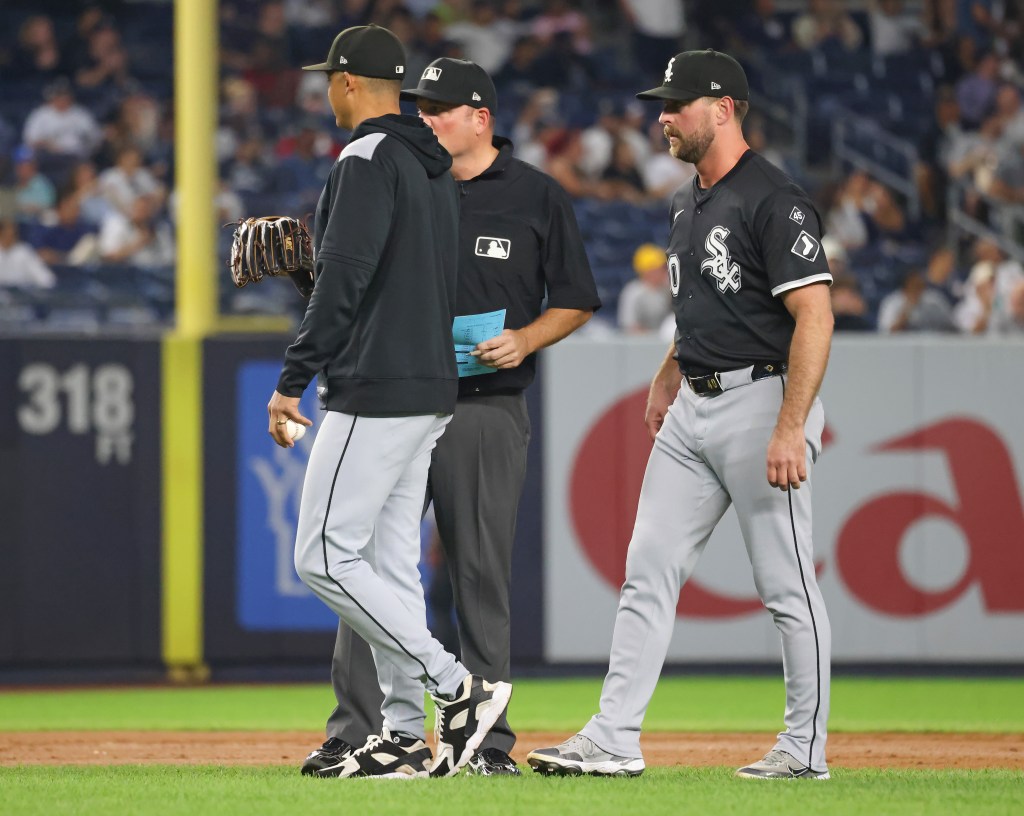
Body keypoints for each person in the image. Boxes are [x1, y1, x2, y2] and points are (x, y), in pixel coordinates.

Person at [528, 49, 835, 780]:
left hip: (764, 399)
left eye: (678, 103)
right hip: (694, 406)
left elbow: (815, 317)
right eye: (663, 103)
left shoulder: (773, 197)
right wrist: (668, 373)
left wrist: (790, 426)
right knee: (646, 570)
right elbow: (704, 308)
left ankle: (804, 750)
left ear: (723, 107)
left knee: (786, 585)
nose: (662, 115)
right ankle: (612, 736)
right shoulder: (684, 200)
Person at [300, 56, 600, 779]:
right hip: (400, 397)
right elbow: (355, 275)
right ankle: (360, 731)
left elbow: (578, 294)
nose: (426, 117)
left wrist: (527, 338)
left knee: (478, 576)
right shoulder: (405, 177)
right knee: (363, 564)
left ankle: (486, 742)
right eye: (420, 106)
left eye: (440, 108)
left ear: (481, 118)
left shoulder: (533, 194)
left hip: (485, 407)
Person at [266, 27, 512, 780]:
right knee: (388, 564)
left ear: (347, 84)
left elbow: (345, 287)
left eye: (329, 80)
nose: (325, 91)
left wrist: (291, 378)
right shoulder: (430, 164)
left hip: (376, 387)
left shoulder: (367, 157)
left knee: (321, 556)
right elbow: (377, 283)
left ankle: (454, 689)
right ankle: (406, 735)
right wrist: (315, 280)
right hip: (428, 385)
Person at [618, 242, 672, 333]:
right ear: (649, 271)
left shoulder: (667, 289)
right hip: (641, 345)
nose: (666, 270)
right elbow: (630, 327)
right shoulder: (633, 292)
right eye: (662, 267)